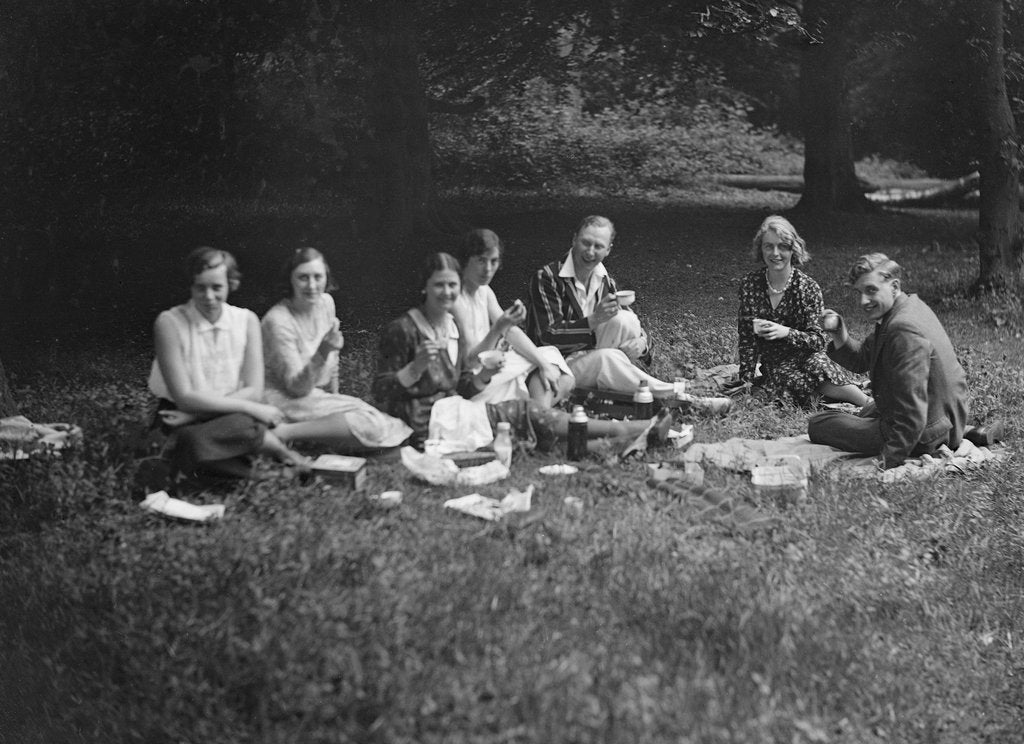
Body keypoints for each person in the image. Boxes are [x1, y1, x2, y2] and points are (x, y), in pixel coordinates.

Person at [372, 252, 669, 450]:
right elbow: (381, 392)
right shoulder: (403, 329)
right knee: (524, 413)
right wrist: (415, 368)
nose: (448, 292)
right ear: (423, 287)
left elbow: (462, 386)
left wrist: (484, 375)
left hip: (453, 409)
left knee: (528, 412)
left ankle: (627, 435)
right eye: (439, 285)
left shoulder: (451, 325)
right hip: (426, 424)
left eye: (452, 285)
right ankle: (630, 432)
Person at [142, 247, 308, 490]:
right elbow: (185, 398)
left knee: (239, 426)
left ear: (231, 284)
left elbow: (254, 389)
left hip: (226, 416)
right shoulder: (170, 322)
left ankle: (263, 456)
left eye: (217, 287)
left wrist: (198, 415)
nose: (209, 296)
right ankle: (269, 475)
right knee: (190, 440)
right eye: (201, 287)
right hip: (177, 414)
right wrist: (249, 408)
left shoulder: (246, 320)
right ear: (191, 286)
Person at [807, 253, 970, 469]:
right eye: (860, 292)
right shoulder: (908, 307)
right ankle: (967, 432)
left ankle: (940, 439)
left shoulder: (902, 330)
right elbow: (862, 359)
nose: (863, 301)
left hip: (922, 433)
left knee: (818, 424)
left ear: (894, 286)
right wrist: (839, 333)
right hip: (945, 416)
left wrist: (887, 460)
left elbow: (912, 412)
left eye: (871, 290)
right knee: (866, 411)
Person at [261, 248, 413, 452]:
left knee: (378, 422)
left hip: (313, 395)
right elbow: (296, 388)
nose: (312, 285)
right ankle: (284, 433)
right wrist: (322, 352)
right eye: (303, 278)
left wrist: (335, 400)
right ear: (290, 280)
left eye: (318, 277)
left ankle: (312, 436)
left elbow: (332, 362)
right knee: (370, 424)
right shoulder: (278, 321)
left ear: (326, 277)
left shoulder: (325, 303)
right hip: (282, 399)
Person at [527, 215, 676, 397]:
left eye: (598, 246)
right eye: (585, 243)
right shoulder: (548, 277)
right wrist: (593, 320)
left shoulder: (604, 279)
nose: (590, 252)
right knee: (608, 357)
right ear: (574, 240)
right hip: (556, 366)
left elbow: (632, 323)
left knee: (625, 320)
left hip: (593, 357)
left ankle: (620, 384)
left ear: (608, 250)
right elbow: (547, 336)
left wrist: (643, 343)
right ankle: (676, 394)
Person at [738, 215, 869, 408]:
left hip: (808, 358)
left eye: (783, 246)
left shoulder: (807, 287)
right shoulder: (750, 284)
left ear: (793, 249)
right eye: (769, 246)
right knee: (787, 382)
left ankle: (867, 403)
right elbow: (747, 340)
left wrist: (786, 332)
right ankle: (838, 395)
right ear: (761, 248)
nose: (775, 253)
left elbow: (818, 341)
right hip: (776, 366)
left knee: (817, 365)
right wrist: (745, 383)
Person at [452, 228, 574, 406]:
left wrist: (543, 365)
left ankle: (536, 411)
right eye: (481, 261)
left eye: (493, 261)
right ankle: (538, 415)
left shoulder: (483, 291)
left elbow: (511, 332)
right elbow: (471, 362)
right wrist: (498, 328)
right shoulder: (456, 300)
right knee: (547, 377)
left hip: (492, 365)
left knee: (553, 365)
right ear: (465, 261)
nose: (488, 269)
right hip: (473, 380)